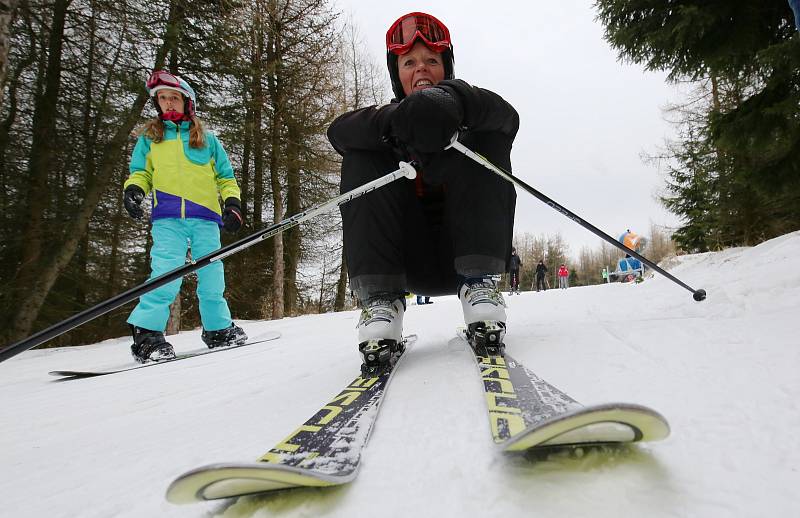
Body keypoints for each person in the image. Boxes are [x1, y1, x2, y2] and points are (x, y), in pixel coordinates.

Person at [327, 11, 518, 373]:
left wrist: (455, 103)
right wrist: (394, 122)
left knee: (485, 137)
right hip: (404, 264)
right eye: (409, 62)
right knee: (361, 154)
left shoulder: (473, 108)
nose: (421, 69)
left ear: (446, 67)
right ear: (396, 73)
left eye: (432, 60)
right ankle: (381, 303)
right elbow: (338, 133)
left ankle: (481, 287)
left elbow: (507, 118)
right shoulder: (383, 122)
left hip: (467, 253)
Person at [122, 70, 247, 363]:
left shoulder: (206, 140)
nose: (168, 103)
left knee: (212, 276)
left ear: (187, 102)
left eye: (173, 98)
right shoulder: (150, 139)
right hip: (168, 218)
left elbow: (226, 177)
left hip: (205, 217)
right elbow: (141, 172)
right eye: (162, 99)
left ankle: (217, 329)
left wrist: (232, 203)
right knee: (166, 272)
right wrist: (135, 190)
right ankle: (147, 334)